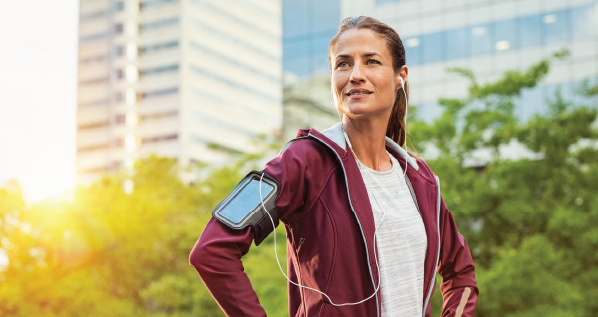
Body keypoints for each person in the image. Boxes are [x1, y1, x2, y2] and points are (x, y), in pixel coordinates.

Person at [189, 16, 478, 317]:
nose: (355, 75)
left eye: (371, 61)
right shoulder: (302, 162)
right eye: (342, 64)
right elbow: (212, 251)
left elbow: (461, 273)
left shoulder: (422, 181)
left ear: (399, 77)